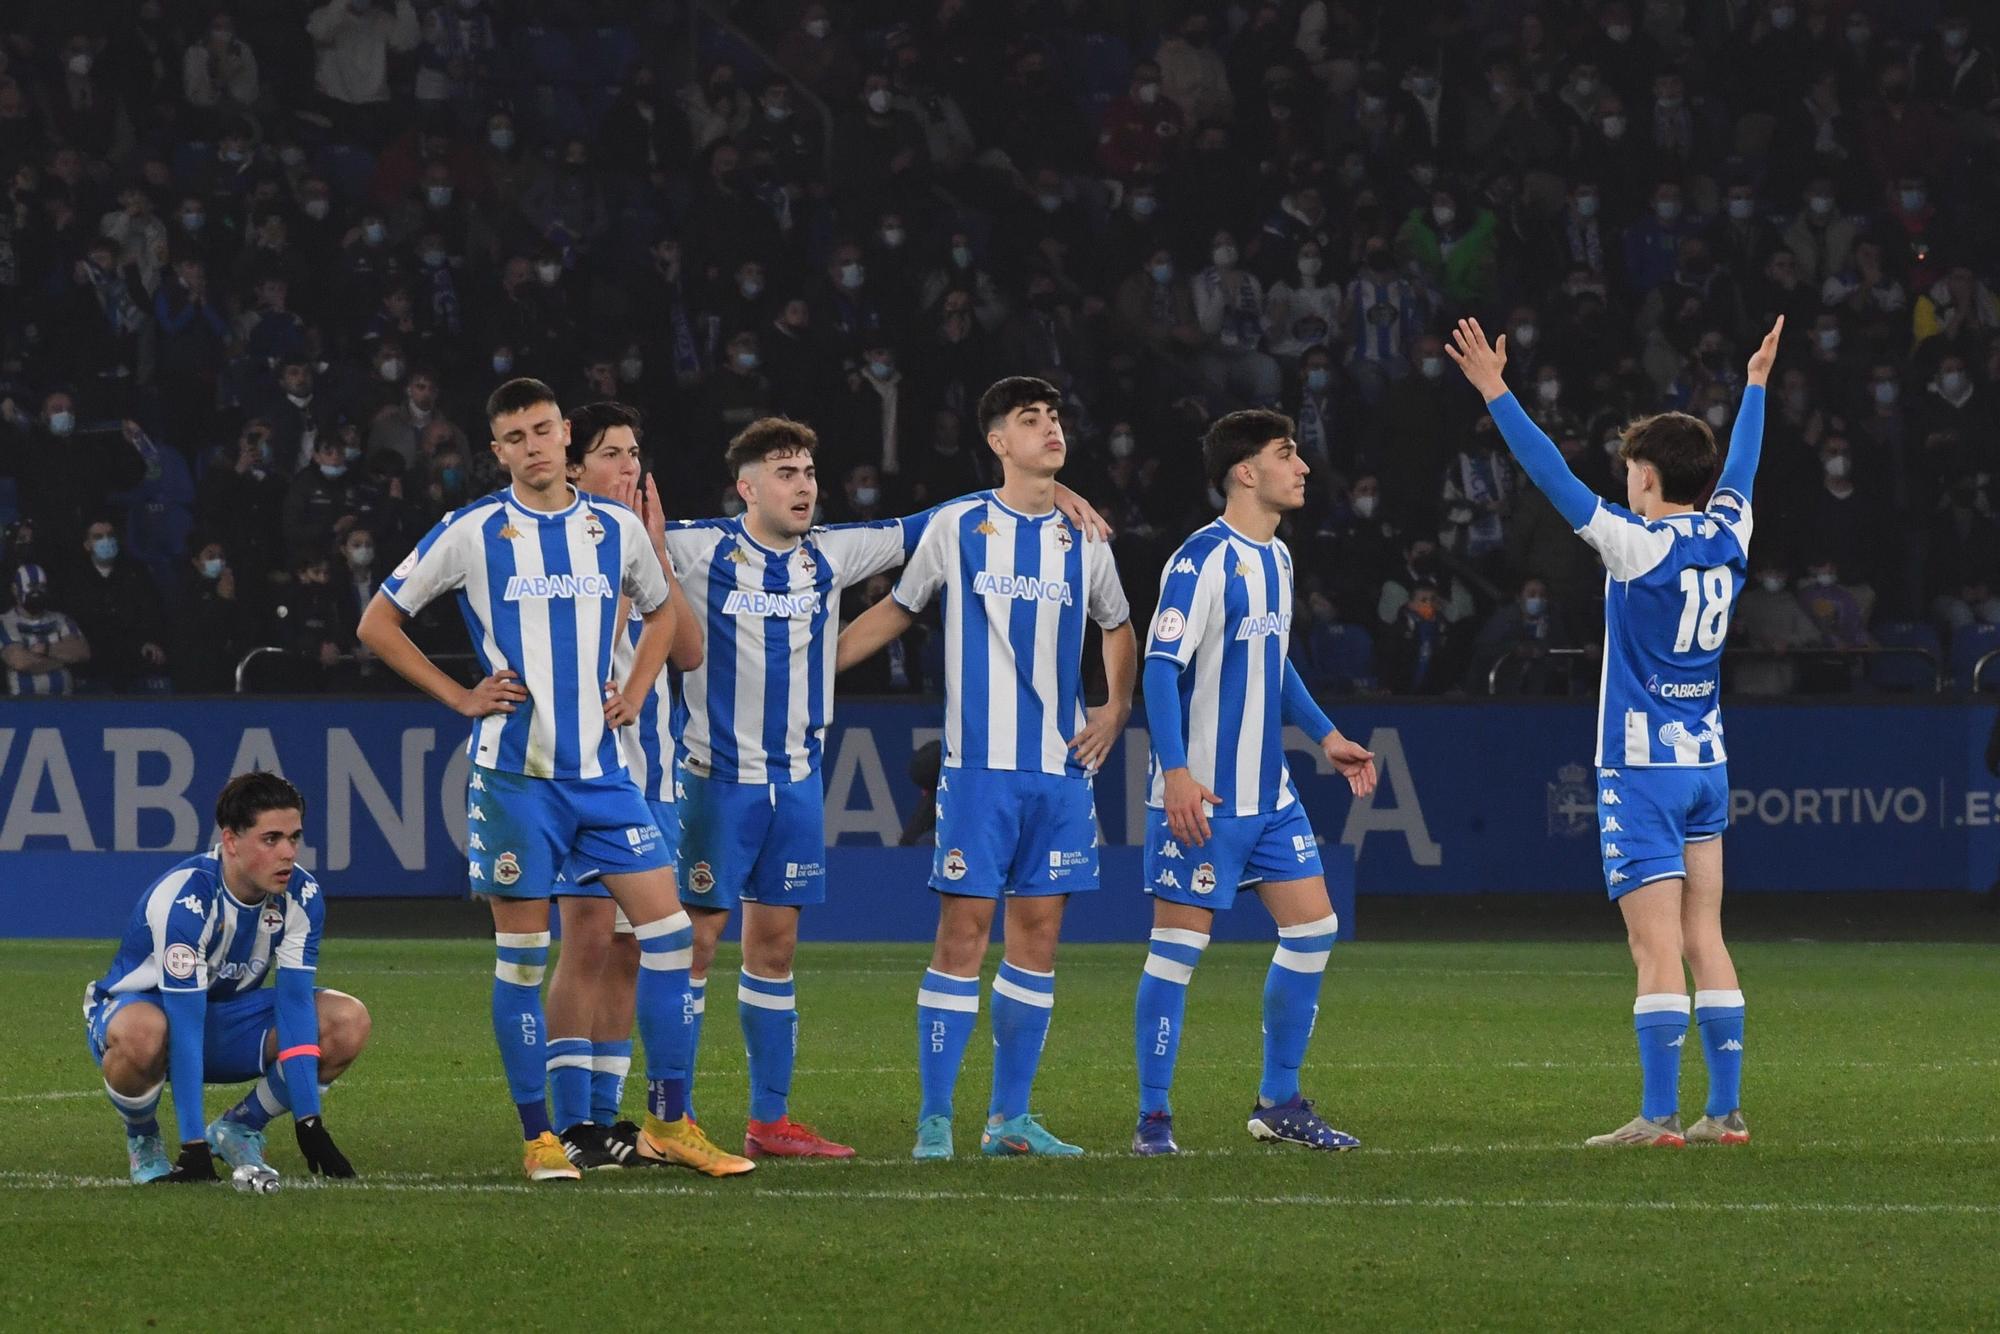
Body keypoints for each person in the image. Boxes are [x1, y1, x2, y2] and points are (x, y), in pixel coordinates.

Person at [655, 414, 1108, 1159]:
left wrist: (1060, 493)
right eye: (785, 474)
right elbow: (608, 553)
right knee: (697, 946)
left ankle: (769, 1121)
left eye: (808, 473)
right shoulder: (695, 545)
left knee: (774, 949)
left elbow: (960, 513)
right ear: (747, 488)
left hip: (798, 784)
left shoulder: (832, 551)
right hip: (715, 778)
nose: (804, 487)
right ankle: (674, 1118)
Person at [357, 378, 751, 1183]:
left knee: (672, 938)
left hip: (605, 778)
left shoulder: (612, 527)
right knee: (525, 958)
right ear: (497, 451)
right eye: (515, 436)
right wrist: (460, 696)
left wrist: (638, 689)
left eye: (543, 429)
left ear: (565, 433)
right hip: (515, 782)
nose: (533, 445)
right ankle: (540, 1136)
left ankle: (672, 1121)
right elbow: (377, 623)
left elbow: (664, 612)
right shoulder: (471, 532)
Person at [1447, 314, 1781, 1148]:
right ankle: (1726, 1111)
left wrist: (1495, 391)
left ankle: (1660, 1115)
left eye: (1630, 468)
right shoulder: (1727, 531)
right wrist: (1756, 387)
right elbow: (1742, 464)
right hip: (1707, 762)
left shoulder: (1637, 547)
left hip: (1640, 769)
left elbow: (1549, 474)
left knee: (1653, 944)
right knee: (1706, 936)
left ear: (1644, 476)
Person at [836, 377, 1136, 1160]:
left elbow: (1117, 625)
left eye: (1056, 416)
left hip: (1061, 772)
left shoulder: (1084, 538)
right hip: (978, 772)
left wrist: (1112, 708)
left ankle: (1009, 1119)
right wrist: (819, 666)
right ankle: (935, 1116)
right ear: (999, 442)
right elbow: (898, 609)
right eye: (1030, 420)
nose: (1050, 428)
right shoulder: (960, 524)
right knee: (962, 936)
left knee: (1038, 935)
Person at [1130, 409, 1378, 1157]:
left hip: (1269, 796)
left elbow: (1276, 663)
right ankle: (1154, 1119)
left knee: (1313, 930)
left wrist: (1327, 735)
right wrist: (1175, 774)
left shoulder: (1277, 558)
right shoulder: (1200, 561)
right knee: (1176, 952)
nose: (1302, 467)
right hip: (1202, 796)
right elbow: (1159, 669)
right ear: (1245, 472)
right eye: (1286, 454)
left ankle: (1279, 1101)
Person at [541, 402, 702, 1169]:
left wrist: (658, 550)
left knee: (637, 955)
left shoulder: (640, 549)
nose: (628, 467)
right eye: (610, 453)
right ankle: (570, 1123)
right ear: (576, 468)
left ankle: (607, 1122)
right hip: (583, 781)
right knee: (586, 944)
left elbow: (692, 652)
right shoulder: (569, 547)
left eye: (635, 453)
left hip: (653, 785)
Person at [83, 772, 369, 1184]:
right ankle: (143, 1138)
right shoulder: (187, 899)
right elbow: (184, 1024)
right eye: (271, 839)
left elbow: (294, 1006)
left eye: (294, 837)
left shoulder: (302, 897)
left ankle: (239, 1126)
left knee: (347, 1021)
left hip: (227, 1020)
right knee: (144, 1032)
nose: (288, 853)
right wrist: (192, 1146)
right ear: (231, 841)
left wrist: (310, 1120)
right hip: (149, 1016)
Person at [1, 564, 88, 695]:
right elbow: (19, 661)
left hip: (65, 701)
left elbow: (82, 651)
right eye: (31, 586)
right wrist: (63, 660)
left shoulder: (61, 619)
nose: (36, 592)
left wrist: (46, 649)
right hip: (21, 704)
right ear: (15, 589)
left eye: (41, 586)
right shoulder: (4, 622)